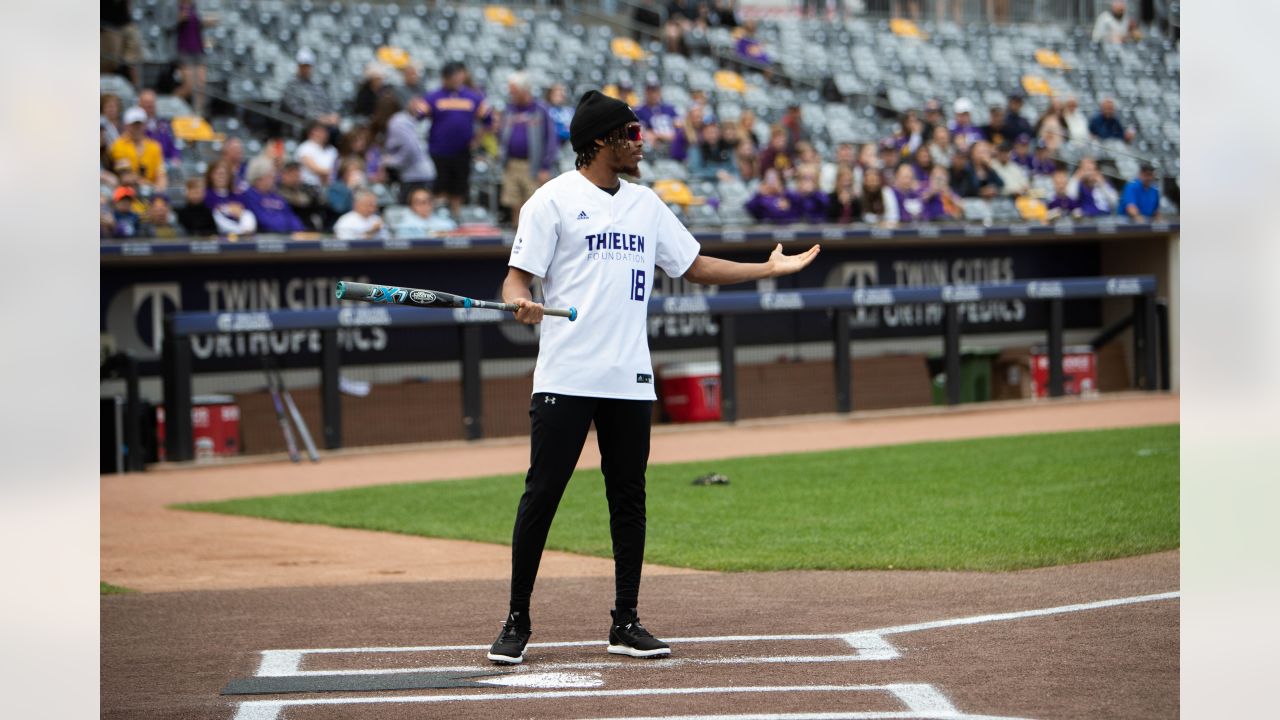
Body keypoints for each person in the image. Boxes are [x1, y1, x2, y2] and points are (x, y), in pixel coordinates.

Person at [487, 89, 820, 665]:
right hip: (566, 374)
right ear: (600, 142)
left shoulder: (645, 204)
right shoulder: (551, 201)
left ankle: (626, 620)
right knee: (543, 495)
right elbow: (516, 281)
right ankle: (517, 619)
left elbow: (695, 265)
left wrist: (768, 268)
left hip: (628, 377)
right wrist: (521, 303)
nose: (643, 143)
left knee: (629, 499)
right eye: (632, 134)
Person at [424, 61, 494, 219]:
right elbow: (419, 113)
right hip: (439, 151)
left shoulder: (472, 97)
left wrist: (477, 139)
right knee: (440, 186)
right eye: (450, 77)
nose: (454, 80)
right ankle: (438, 218)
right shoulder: (434, 97)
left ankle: (456, 217)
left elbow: (489, 119)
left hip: (462, 151)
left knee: (459, 187)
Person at [498, 72, 560, 229]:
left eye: (514, 91)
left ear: (524, 90)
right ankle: (516, 240)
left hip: (533, 166)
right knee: (514, 204)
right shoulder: (510, 109)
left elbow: (551, 139)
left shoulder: (540, 110)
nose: (511, 95)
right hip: (511, 164)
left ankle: (532, 239)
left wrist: (545, 167)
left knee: (533, 205)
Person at [379, 94, 436, 204]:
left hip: (414, 176)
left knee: (410, 212)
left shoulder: (397, 121)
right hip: (423, 172)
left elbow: (411, 149)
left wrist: (392, 161)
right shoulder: (409, 120)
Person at [241, 157, 306, 234]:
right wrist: (284, 228)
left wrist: (300, 230)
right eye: (270, 176)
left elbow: (291, 216)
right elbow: (262, 219)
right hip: (264, 236)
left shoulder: (276, 196)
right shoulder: (249, 196)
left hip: (286, 236)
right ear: (259, 178)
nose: (274, 179)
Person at [281, 49, 341, 131]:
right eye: (303, 66)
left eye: (308, 66)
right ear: (298, 67)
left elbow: (327, 104)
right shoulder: (291, 87)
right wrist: (318, 118)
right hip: (305, 126)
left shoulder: (317, 86)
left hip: (324, 125)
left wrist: (332, 116)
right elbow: (297, 110)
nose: (306, 69)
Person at [110, 107, 168, 192]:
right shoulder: (118, 145)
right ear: (127, 126)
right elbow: (126, 176)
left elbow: (161, 173)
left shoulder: (154, 146)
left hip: (151, 191)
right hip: (127, 191)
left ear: (145, 125)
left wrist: (160, 189)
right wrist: (149, 185)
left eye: (139, 124)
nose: (137, 128)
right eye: (133, 125)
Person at [174, 0, 209, 116]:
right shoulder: (176, 7)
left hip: (198, 50)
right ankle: (170, 104)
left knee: (201, 87)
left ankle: (198, 115)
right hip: (185, 50)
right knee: (189, 87)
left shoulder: (195, 7)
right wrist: (178, 19)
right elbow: (167, 25)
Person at [101, 0, 142, 87]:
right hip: (108, 25)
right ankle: (107, 90)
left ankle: (134, 88)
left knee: (132, 61)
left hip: (125, 22)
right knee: (110, 63)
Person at [634, 80, 679, 158]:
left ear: (660, 92)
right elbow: (641, 132)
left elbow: (680, 126)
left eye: (655, 91)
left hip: (672, 142)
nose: (653, 95)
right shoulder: (639, 110)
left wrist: (658, 135)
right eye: (650, 91)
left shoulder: (669, 108)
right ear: (645, 92)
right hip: (653, 145)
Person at [277, 161, 326, 231]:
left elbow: (321, 202)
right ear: (283, 175)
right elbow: (299, 203)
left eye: (297, 174)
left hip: (308, 227)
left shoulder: (306, 189)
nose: (295, 178)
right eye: (292, 174)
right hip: (288, 229)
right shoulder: (277, 191)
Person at [391, 187, 458, 238]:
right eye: (418, 202)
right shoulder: (404, 225)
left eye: (427, 201)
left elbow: (455, 233)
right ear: (411, 206)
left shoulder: (445, 222)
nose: (424, 205)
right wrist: (434, 234)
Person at [137, 89, 180, 163]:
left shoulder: (164, 124)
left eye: (150, 105)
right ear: (139, 105)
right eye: (145, 105)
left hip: (166, 163)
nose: (148, 108)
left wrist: (175, 157)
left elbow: (173, 145)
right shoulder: (135, 126)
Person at [295, 121, 338, 188]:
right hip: (307, 185)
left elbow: (336, 167)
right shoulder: (305, 147)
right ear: (310, 132)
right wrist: (332, 171)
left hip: (327, 187)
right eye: (318, 131)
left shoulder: (332, 150)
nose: (321, 134)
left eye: (324, 131)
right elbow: (315, 168)